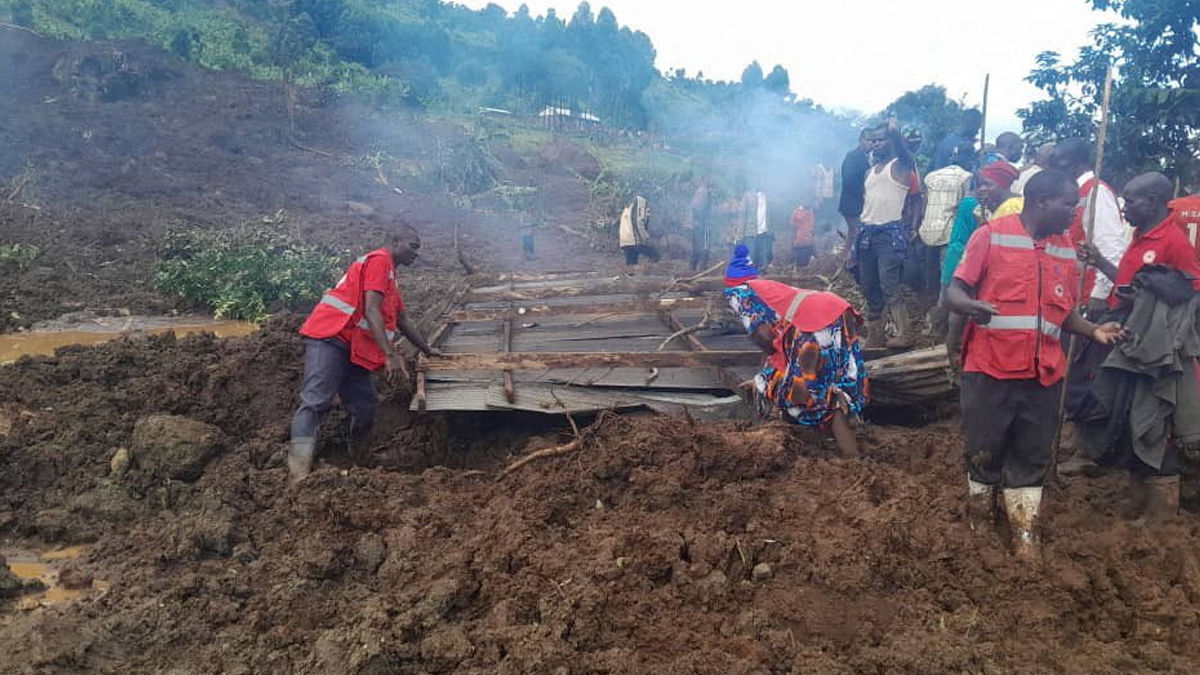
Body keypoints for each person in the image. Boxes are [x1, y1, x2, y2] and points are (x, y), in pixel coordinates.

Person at [945, 170, 1125, 562]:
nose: (1073, 213)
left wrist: (1093, 331)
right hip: (990, 369)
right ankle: (980, 525)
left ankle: (1025, 535)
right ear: (1041, 201)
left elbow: (1064, 313)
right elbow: (954, 291)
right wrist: (971, 306)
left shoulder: (1065, 249)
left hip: (1042, 374)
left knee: (1032, 455)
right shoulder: (990, 236)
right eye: (1068, 205)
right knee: (984, 451)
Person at [1076, 172, 1200, 517]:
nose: (1124, 207)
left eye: (1131, 201)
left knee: (1156, 420)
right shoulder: (1140, 235)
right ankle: (1139, 507)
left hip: (1156, 354)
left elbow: (1188, 295)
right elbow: (1130, 285)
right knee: (1132, 417)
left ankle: (1161, 518)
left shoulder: (1173, 241)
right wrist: (1099, 260)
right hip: (1130, 344)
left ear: (1153, 202)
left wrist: (1166, 346)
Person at [289, 225, 441, 485]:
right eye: (413, 246)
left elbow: (402, 318)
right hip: (330, 336)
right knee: (315, 401)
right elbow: (371, 310)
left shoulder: (390, 277)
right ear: (395, 242)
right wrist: (389, 355)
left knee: (364, 405)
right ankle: (298, 474)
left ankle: (358, 461)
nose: (417, 253)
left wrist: (427, 349)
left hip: (353, 345)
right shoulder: (379, 261)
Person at [723, 245, 867, 457]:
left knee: (808, 391)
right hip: (837, 311)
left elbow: (764, 337)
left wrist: (765, 379)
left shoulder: (738, 293)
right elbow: (777, 340)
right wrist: (764, 376)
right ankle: (847, 426)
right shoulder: (766, 288)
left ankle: (852, 460)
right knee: (835, 381)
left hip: (812, 326)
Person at [941, 161, 1024, 375]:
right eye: (980, 185)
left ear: (1003, 185)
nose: (982, 190)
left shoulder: (1012, 208)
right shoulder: (990, 209)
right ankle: (956, 360)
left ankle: (958, 361)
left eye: (989, 185)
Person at [852, 118, 917, 349]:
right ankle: (876, 335)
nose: (877, 144)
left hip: (889, 234)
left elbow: (903, 150)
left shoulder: (901, 165)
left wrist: (895, 132)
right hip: (867, 233)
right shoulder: (870, 171)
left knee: (889, 285)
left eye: (882, 140)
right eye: (875, 141)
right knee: (869, 284)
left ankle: (904, 333)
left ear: (891, 142)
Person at [1052, 137, 1129, 317]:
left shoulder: (1096, 192)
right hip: (1069, 292)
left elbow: (1110, 246)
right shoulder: (1074, 192)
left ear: (1074, 164)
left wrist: (1100, 293)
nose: (1053, 170)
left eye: (1057, 163)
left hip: (1088, 295)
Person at [918, 146, 975, 334]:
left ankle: (931, 318)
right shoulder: (966, 177)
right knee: (947, 280)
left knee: (930, 277)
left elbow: (924, 202)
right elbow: (966, 205)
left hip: (927, 231)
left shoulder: (932, 176)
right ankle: (942, 325)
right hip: (948, 232)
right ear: (969, 162)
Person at [838, 128, 881, 244]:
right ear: (860, 140)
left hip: (860, 203)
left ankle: (846, 259)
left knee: (853, 235)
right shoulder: (852, 156)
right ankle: (853, 260)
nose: (871, 144)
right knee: (858, 233)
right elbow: (848, 180)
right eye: (868, 140)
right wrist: (864, 194)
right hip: (852, 203)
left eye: (873, 141)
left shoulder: (871, 158)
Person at [619, 195, 660, 266]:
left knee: (631, 267)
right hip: (634, 240)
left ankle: (635, 275)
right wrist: (646, 237)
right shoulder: (640, 201)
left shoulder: (629, 206)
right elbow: (639, 221)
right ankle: (650, 271)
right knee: (656, 255)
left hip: (625, 240)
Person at [687, 178, 714, 271]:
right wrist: (701, 222)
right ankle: (700, 269)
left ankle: (693, 269)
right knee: (703, 248)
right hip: (702, 226)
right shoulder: (703, 193)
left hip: (699, 225)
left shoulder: (702, 192)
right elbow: (696, 209)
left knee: (697, 247)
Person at [791, 198, 816, 269]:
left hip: (809, 242)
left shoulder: (811, 211)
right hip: (800, 243)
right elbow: (793, 228)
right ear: (801, 201)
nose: (808, 202)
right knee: (801, 264)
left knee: (808, 264)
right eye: (806, 200)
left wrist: (813, 240)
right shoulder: (796, 211)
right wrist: (792, 245)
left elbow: (812, 227)